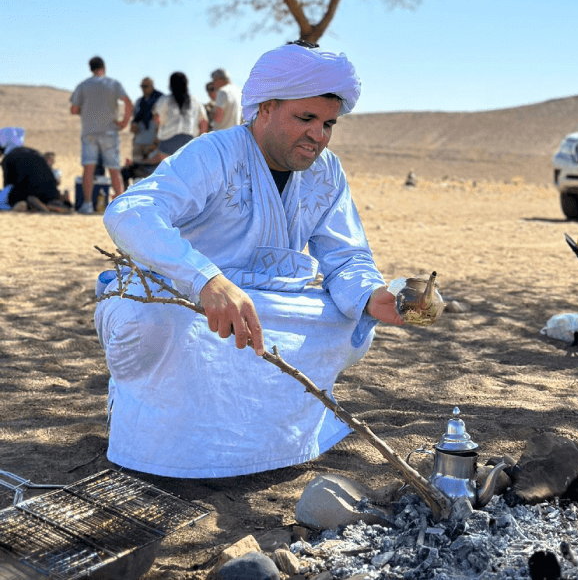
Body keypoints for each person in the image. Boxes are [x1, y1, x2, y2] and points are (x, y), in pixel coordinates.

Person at [94, 42, 404, 478]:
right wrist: (206, 280)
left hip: (268, 305)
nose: (319, 135)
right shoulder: (213, 154)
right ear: (266, 108)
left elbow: (346, 256)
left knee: (347, 321)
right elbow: (129, 212)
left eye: (329, 123)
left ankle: (269, 443)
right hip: (188, 302)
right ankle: (156, 436)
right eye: (306, 119)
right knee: (159, 324)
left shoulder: (327, 171)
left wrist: (372, 296)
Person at [70, 56, 133, 214]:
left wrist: (86, 111)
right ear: (104, 67)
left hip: (89, 132)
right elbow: (128, 102)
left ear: (90, 68)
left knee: (89, 169)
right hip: (110, 132)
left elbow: (74, 109)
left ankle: (87, 204)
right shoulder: (113, 84)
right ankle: (120, 206)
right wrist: (124, 122)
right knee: (114, 169)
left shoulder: (83, 85)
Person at [149, 72, 208, 163]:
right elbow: (203, 122)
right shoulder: (195, 101)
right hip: (189, 142)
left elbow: (158, 120)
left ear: (170, 84)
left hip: (167, 143)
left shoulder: (164, 100)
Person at [1, 137, 71, 213]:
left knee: (14, 198)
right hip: (50, 188)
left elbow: (8, 184)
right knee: (49, 197)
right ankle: (53, 204)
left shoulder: (8, 158)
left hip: (30, 190)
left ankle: (33, 204)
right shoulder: (35, 152)